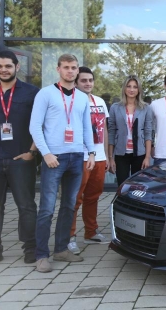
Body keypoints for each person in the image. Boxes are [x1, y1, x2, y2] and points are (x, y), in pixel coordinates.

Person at [29, 54, 96, 272]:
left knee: (69, 206)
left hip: (76, 157)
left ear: (77, 70)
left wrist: (91, 152)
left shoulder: (82, 97)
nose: (70, 71)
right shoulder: (46, 93)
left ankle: (61, 249)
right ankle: (41, 255)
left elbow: (86, 127)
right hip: (54, 158)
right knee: (47, 209)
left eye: (73, 67)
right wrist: (46, 153)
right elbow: (35, 126)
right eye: (66, 67)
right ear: (58, 69)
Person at [0, 51, 39, 267]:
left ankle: (31, 248)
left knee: (26, 206)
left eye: (8, 66)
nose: (3, 70)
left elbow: (41, 125)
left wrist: (32, 152)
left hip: (21, 158)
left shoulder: (32, 93)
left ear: (17, 67)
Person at [67, 67, 110, 255]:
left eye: (90, 80)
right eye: (83, 80)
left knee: (93, 196)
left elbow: (105, 130)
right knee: (75, 198)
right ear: (76, 82)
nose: (88, 83)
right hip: (80, 157)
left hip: (99, 157)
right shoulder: (71, 101)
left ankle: (90, 232)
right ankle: (69, 236)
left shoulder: (100, 101)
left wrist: (107, 156)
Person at [108, 75, 153, 186]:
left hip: (139, 153)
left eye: (135, 87)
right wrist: (110, 158)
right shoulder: (115, 107)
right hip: (121, 153)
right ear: (124, 88)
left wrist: (147, 157)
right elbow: (111, 132)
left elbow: (148, 133)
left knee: (138, 186)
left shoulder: (146, 108)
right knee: (122, 186)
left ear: (139, 90)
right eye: (129, 86)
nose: (131, 89)